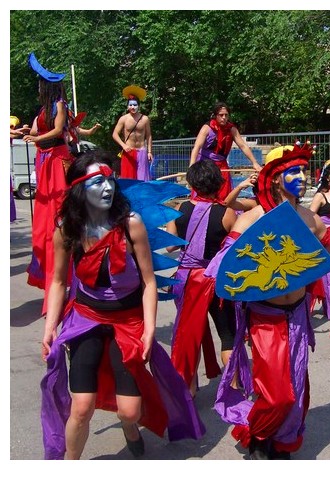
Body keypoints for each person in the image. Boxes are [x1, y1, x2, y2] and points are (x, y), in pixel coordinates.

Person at [39, 150, 205, 460]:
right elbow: (59, 282)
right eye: (98, 181)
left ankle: (130, 428)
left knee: (130, 411)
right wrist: (50, 329)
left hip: (128, 322)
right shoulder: (67, 231)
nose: (108, 188)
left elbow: (149, 282)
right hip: (86, 319)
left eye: (110, 180)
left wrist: (149, 329)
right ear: (79, 189)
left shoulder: (131, 224)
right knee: (82, 406)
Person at [210, 142, 330, 460]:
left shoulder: (310, 218)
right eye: (293, 171)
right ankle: (260, 433)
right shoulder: (253, 218)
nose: (302, 176)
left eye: (304, 170)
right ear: (277, 178)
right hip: (265, 316)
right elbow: (224, 266)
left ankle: (282, 441)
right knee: (277, 392)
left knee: (295, 386)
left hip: (297, 315)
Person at [166, 160, 238, 396]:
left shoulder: (179, 208)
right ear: (218, 183)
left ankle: (189, 387)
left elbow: (169, 247)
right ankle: (235, 388)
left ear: (192, 182)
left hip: (186, 280)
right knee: (227, 333)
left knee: (189, 334)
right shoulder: (227, 213)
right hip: (215, 280)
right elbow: (235, 250)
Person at [22, 53, 74, 314]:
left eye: (40, 83)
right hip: (44, 162)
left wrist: (37, 137)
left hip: (56, 161)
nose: (38, 87)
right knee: (42, 229)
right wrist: (24, 134)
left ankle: (66, 283)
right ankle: (52, 284)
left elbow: (57, 130)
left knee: (58, 219)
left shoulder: (60, 105)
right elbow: (35, 130)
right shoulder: (42, 109)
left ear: (48, 85)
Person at [189, 102, 262, 202]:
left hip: (221, 165)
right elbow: (196, 147)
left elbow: (243, 146)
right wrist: (192, 167)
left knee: (223, 194)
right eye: (221, 115)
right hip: (206, 165)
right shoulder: (207, 128)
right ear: (215, 116)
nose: (224, 118)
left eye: (226, 115)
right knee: (203, 192)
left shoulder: (231, 129)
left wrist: (254, 163)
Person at [307, 159, 330, 320]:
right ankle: (329, 307)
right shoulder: (320, 196)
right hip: (325, 238)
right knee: (327, 275)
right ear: (327, 177)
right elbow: (309, 217)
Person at [112, 85, 152, 180]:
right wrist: (123, 145)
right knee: (129, 179)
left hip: (142, 151)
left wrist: (149, 151)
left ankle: (142, 194)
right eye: (130, 105)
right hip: (129, 151)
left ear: (139, 106)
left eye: (135, 105)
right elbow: (114, 134)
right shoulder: (124, 119)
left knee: (143, 179)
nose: (132, 107)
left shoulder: (145, 119)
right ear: (127, 106)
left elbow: (149, 135)